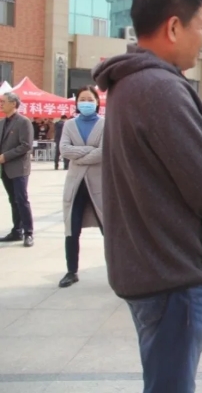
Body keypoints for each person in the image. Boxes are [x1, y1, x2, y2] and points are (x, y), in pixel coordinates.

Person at [92, 0, 202, 393]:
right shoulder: (160, 89)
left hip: (148, 266)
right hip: (171, 274)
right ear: (174, 27)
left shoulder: (129, 84)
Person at [58, 87, 105, 288]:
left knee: (108, 228)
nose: (86, 102)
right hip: (75, 184)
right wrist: (89, 151)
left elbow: (104, 151)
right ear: (77, 103)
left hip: (99, 184)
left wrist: (79, 156)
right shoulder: (69, 125)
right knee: (72, 228)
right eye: (82, 99)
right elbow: (64, 149)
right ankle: (71, 271)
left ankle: (117, 270)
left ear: (97, 102)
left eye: (90, 99)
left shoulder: (105, 124)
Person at [0, 92, 35, 247]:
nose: (1, 104)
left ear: (13, 103)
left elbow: (26, 145)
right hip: (5, 169)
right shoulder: (2, 122)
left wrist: (5, 156)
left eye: (3, 101)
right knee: (13, 200)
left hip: (19, 167)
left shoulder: (23, 122)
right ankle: (17, 231)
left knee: (22, 199)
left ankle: (28, 233)